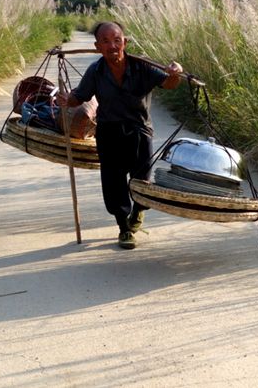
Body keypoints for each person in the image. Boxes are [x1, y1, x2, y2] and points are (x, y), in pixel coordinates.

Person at [61, 21, 183, 250]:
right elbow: (80, 96)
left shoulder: (141, 66)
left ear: (125, 42)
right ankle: (123, 228)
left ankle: (138, 212)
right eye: (105, 41)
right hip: (108, 132)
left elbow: (169, 83)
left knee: (141, 178)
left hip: (140, 130)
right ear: (98, 47)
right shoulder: (95, 71)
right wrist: (67, 100)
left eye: (117, 40)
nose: (112, 45)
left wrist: (176, 72)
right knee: (113, 181)